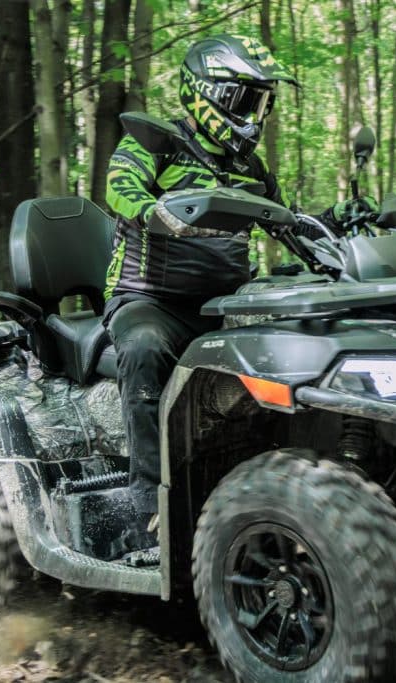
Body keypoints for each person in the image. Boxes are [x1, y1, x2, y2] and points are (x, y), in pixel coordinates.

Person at [103, 34, 317, 533]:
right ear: (210, 95)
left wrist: (335, 227)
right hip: (148, 299)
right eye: (249, 101)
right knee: (143, 347)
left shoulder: (249, 167)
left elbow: (288, 221)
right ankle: (147, 506)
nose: (258, 116)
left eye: (265, 104)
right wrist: (153, 210)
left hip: (221, 305)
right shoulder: (156, 141)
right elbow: (120, 183)